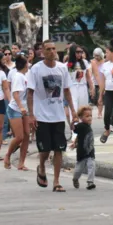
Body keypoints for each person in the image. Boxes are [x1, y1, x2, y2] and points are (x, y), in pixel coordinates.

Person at [27, 40, 77, 192]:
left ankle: (56, 181)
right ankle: (41, 167)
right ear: (42, 51)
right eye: (48, 49)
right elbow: (30, 93)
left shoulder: (62, 68)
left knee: (59, 149)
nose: (52, 51)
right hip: (42, 116)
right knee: (45, 149)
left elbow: (67, 91)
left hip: (58, 115)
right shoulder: (36, 69)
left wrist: (73, 112)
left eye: (54, 49)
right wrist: (31, 115)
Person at [4, 57, 30, 170]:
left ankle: (21, 163)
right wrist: (21, 107)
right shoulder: (18, 76)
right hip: (15, 108)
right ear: (25, 65)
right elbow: (15, 94)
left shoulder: (25, 76)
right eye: (27, 63)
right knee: (19, 137)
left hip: (25, 108)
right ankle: (7, 156)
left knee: (27, 135)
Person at [70, 106, 96, 190]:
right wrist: (72, 123)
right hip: (82, 153)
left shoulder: (89, 126)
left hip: (90, 152)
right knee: (78, 170)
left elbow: (81, 136)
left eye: (91, 116)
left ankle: (90, 182)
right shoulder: (81, 126)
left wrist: (75, 142)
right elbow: (74, 129)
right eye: (87, 116)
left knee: (91, 165)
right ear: (81, 117)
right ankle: (75, 178)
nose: (90, 118)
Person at [90, 48, 105, 119]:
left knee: (100, 98)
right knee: (95, 99)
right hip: (95, 83)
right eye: (95, 55)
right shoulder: (92, 62)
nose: (96, 57)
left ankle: (99, 112)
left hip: (102, 82)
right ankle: (99, 110)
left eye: (98, 55)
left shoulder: (104, 62)